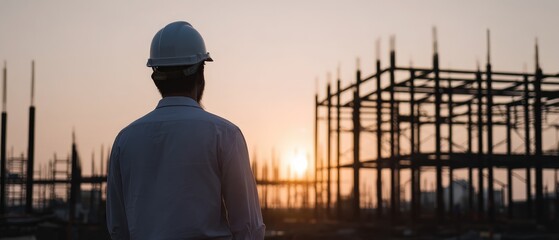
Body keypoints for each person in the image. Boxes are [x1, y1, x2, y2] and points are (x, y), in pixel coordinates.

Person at [106, 21, 265, 240]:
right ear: (201, 73)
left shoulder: (125, 141)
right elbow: (248, 227)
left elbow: (118, 228)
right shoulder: (225, 135)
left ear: (155, 78)